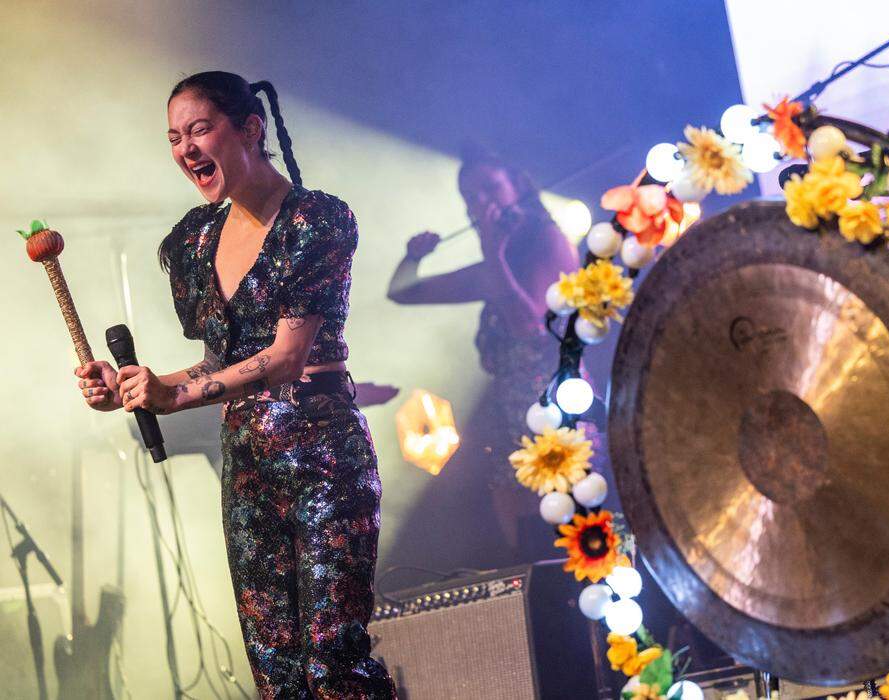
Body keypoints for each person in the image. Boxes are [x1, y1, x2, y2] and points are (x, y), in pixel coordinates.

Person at [74, 71, 396, 699]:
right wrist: (138, 385)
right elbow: (216, 361)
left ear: (250, 129)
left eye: (199, 129)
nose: (186, 149)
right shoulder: (195, 239)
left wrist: (177, 397)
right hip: (247, 460)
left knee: (333, 660)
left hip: (321, 454)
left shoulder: (316, 220)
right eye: (174, 137)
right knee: (275, 668)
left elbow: (281, 358)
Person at [386, 148, 581, 565]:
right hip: (511, 431)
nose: (481, 204)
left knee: (574, 546)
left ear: (517, 187)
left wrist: (493, 251)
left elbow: (529, 328)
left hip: (560, 419)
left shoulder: (548, 242)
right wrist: (413, 256)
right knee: (531, 557)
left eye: (490, 189)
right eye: (470, 198)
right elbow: (402, 291)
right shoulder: (494, 266)